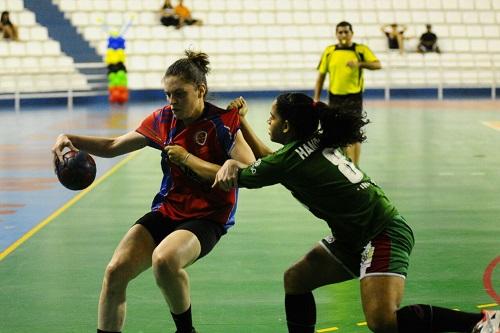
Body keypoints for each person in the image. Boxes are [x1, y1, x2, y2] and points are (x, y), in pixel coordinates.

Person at [208, 93, 499, 333]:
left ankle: (482, 324)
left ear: (287, 127)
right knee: (296, 279)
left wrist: (186, 158)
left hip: (381, 233)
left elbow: (237, 177)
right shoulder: (315, 141)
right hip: (354, 236)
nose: (268, 121)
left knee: (383, 321)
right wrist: (242, 122)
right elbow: (274, 161)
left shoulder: (290, 160)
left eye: (272, 117)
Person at [51, 50, 255, 333]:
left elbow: (247, 172)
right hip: (168, 210)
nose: (172, 102)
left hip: (208, 217)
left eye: (179, 94)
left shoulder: (223, 124)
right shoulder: (163, 121)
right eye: (167, 95)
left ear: (200, 90)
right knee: (115, 272)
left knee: (165, 260)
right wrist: (70, 138)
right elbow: (113, 146)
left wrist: (191, 159)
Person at [313, 21, 381, 166]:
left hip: (353, 97)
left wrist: (360, 64)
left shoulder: (360, 50)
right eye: (340, 32)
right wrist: (316, 98)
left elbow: (377, 64)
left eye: (346, 32)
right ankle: (344, 165)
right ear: (336, 34)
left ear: (352, 34)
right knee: (338, 134)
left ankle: (355, 167)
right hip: (335, 97)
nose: (343, 35)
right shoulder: (330, 51)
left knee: (354, 134)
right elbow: (321, 76)